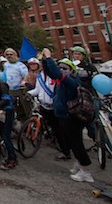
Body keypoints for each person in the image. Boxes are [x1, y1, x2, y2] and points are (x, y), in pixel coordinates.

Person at [41, 47, 94, 182]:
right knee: (73, 142)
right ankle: (79, 164)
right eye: (60, 67)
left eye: (65, 68)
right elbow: (50, 72)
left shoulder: (71, 82)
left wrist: (48, 58)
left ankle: (86, 172)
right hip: (63, 116)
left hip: (71, 117)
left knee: (77, 144)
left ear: (71, 70)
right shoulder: (61, 81)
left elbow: (56, 73)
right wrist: (44, 61)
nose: (62, 70)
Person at [3, 48, 30, 122]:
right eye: (7, 55)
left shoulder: (21, 65)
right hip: (9, 90)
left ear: (15, 55)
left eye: (11, 54)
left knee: (25, 106)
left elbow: (26, 76)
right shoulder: (5, 65)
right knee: (13, 107)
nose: (9, 56)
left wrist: (23, 81)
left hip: (20, 89)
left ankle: (29, 122)